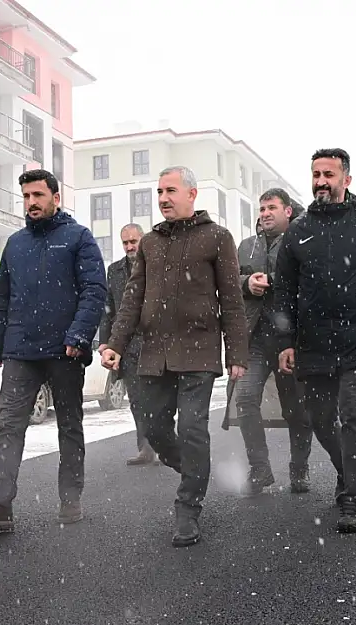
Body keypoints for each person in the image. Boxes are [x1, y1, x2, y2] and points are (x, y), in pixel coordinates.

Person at [100, 165, 248, 548]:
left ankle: (188, 507)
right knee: (154, 428)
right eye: (159, 191)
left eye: (170, 190)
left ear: (191, 194)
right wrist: (115, 342)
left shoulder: (217, 238)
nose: (163, 198)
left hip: (198, 351)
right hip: (154, 352)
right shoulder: (150, 242)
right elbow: (132, 297)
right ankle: (193, 470)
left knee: (193, 429)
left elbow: (232, 300)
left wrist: (237, 353)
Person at [0, 169, 107, 532]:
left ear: (56, 198)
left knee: (69, 425)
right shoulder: (16, 243)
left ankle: (70, 499)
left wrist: (78, 336)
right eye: (26, 197)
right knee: (8, 426)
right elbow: (1, 298)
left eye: (38, 195)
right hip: (21, 351)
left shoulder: (78, 238)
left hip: (65, 351)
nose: (31, 203)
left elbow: (94, 292)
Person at [275, 148, 356, 534]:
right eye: (316, 174)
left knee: (354, 413)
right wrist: (286, 340)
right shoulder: (299, 230)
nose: (321, 181)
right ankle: (346, 470)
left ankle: (353, 495)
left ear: (346, 180)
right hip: (314, 342)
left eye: (329, 174)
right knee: (319, 420)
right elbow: (284, 290)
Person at [230, 188, 312, 495]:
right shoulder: (246, 247)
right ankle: (260, 469)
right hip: (254, 339)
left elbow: (310, 281)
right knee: (245, 399)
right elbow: (230, 283)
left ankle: (299, 469)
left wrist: (275, 282)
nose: (264, 213)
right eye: (261, 208)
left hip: (290, 338)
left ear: (287, 211)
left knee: (296, 408)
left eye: (271, 208)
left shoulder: (303, 241)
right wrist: (246, 283)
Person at [96, 223, 156, 467]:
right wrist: (105, 341)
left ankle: (164, 444)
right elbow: (108, 308)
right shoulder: (115, 271)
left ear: (143, 240)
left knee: (159, 398)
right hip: (128, 346)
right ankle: (145, 448)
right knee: (137, 400)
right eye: (126, 242)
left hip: (155, 343)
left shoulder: (156, 265)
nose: (130, 246)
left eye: (134, 241)